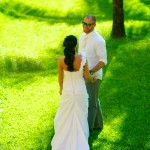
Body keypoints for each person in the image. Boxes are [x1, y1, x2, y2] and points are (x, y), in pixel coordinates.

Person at [51, 35, 96, 150]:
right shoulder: (83, 58)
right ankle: (80, 140)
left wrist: (61, 89)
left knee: (65, 116)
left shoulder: (61, 60)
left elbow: (60, 78)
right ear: (76, 45)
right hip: (80, 92)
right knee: (81, 116)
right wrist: (93, 79)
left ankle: (63, 139)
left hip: (67, 92)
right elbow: (87, 76)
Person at [78, 14, 107, 135]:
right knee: (93, 99)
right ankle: (99, 124)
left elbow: (103, 61)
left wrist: (90, 72)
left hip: (93, 76)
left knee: (91, 103)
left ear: (94, 25)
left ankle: (87, 130)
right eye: (84, 23)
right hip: (82, 73)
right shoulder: (82, 36)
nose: (85, 26)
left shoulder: (99, 40)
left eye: (88, 24)